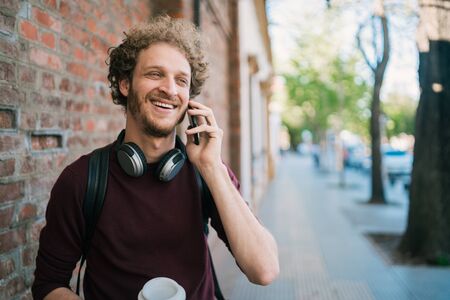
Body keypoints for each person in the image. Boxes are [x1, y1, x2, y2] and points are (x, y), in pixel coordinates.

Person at [32, 15, 279, 300]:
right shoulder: (82, 179)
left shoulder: (207, 172)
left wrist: (212, 167)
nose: (170, 89)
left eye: (181, 80)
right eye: (155, 74)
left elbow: (265, 270)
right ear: (125, 84)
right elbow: (49, 286)